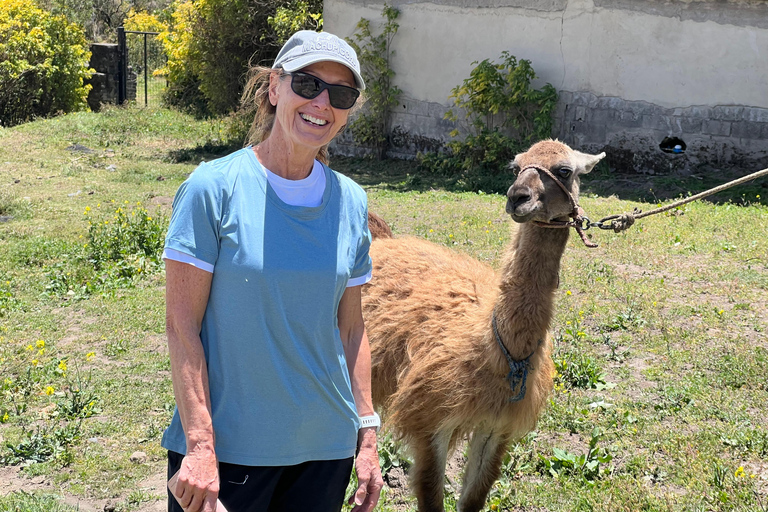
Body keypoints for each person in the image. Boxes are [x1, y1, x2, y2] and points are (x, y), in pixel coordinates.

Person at [160, 30, 383, 512]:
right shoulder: (211, 189)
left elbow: (352, 330)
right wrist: (200, 446)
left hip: (325, 449)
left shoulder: (351, 202)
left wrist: (366, 432)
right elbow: (182, 326)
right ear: (274, 88)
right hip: (229, 451)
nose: (322, 103)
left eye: (341, 94)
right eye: (307, 84)